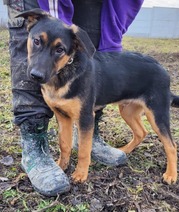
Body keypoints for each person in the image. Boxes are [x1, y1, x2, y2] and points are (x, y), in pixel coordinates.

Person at [4, 0, 144, 196]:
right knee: (36, 68)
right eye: (36, 42)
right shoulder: (36, 23)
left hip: (105, 5)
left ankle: (88, 139)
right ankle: (34, 144)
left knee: (93, 62)